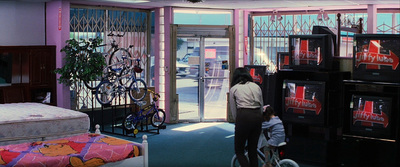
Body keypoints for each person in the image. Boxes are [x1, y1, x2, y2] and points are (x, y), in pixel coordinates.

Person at [229, 67, 264, 167]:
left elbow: (233, 110)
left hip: (243, 116)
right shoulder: (256, 86)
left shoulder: (234, 89)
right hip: (257, 116)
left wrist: (238, 123)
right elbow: (261, 105)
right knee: (252, 150)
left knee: (239, 150)